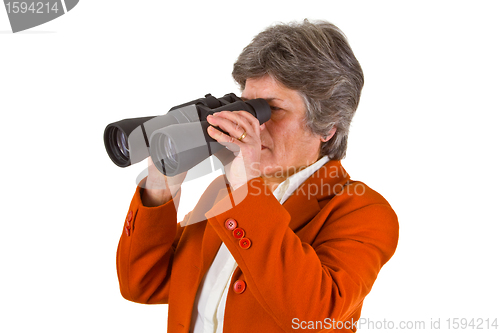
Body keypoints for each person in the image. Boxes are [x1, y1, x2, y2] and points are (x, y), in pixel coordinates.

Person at [116, 19, 399, 333]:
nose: (251, 124)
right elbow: (142, 284)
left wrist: (245, 187)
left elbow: (312, 315)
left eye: (271, 110)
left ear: (327, 126)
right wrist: (160, 184)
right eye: (247, 106)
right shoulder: (223, 193)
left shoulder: (363, 212)